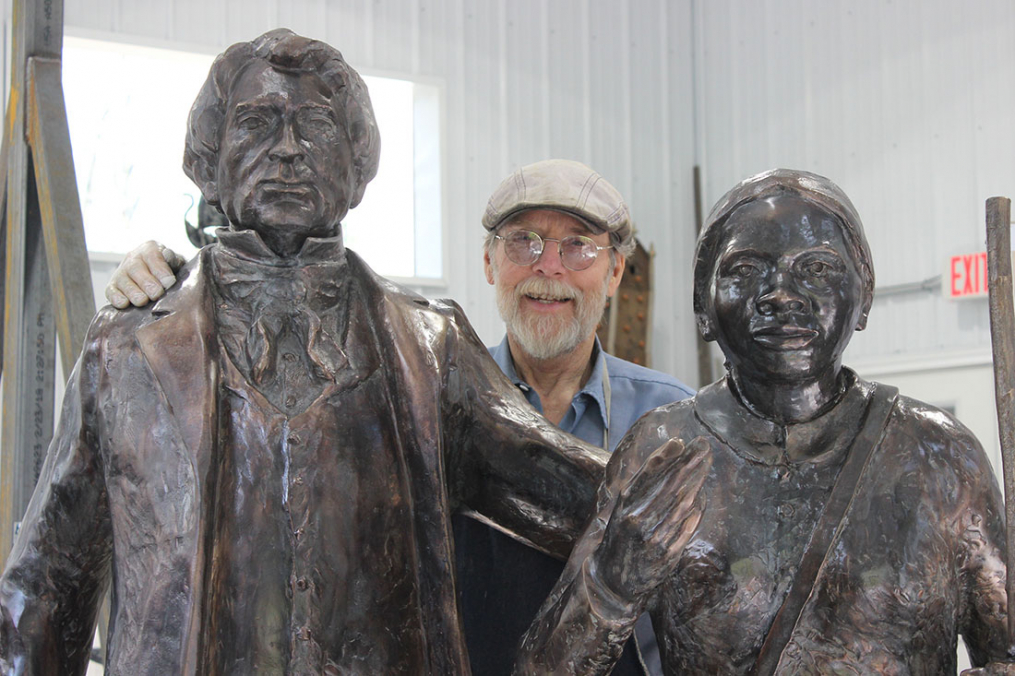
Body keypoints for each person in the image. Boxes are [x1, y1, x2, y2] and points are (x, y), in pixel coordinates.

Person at [0, 29, 709, 675]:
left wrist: (747, 464)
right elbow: (44, 588)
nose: (287, 150)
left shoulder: (430, 348)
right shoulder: (126, 348)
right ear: (208, 159)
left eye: (315, 127)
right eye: (256, 123)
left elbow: (575, 492)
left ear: (357, 162)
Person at [105, 158, 695, 675]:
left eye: (578, 246)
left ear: (615, 272)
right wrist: (178, 285)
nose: (548, 268)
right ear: (490, 263)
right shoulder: (423, 392)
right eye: (523, 242)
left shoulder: (670, 421)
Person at [515, 169, 1015, 675]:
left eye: (817, 268)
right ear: (702, 305)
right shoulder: (663, 446)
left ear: (864, 296)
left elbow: (1004, 650)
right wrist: (610, 585)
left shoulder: (940, 457)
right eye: (747, 269)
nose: (781, 295)